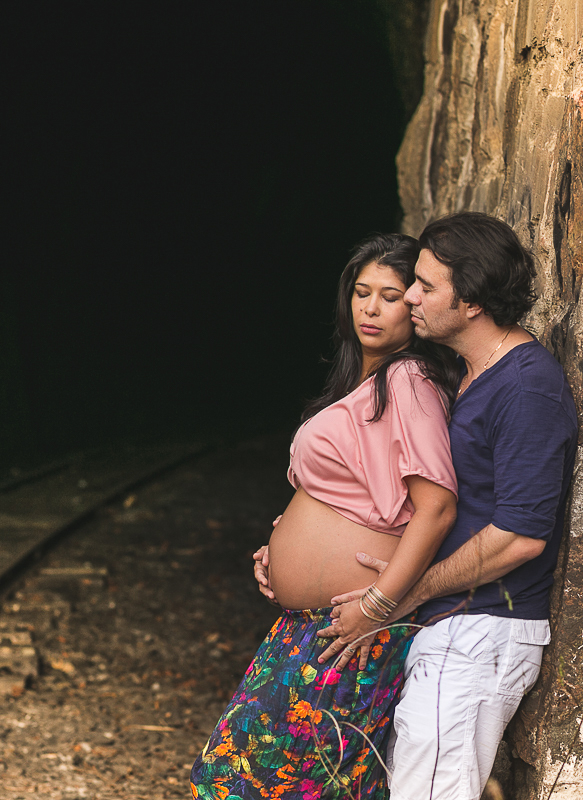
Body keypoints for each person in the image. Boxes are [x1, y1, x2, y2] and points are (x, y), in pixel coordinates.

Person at [315, 212, 578, 800]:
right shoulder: (470, 373)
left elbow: (519, 535)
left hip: (483, 632)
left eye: (426, 287)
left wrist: (406, 593)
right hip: (452, 627)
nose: (410, 295)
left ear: (473, 301)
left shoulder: (526, 388)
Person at [191, 233, 460, 800]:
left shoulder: (408, 381)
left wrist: (379, 604)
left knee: (262, 782)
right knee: (261, 778)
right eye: (362, 292)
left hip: (354, 630)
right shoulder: (364, 383)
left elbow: (435, 508)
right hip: (316, 625)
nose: (371, 307)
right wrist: (281, 550)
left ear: (415, 303)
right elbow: (350, 496)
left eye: (391, 295)